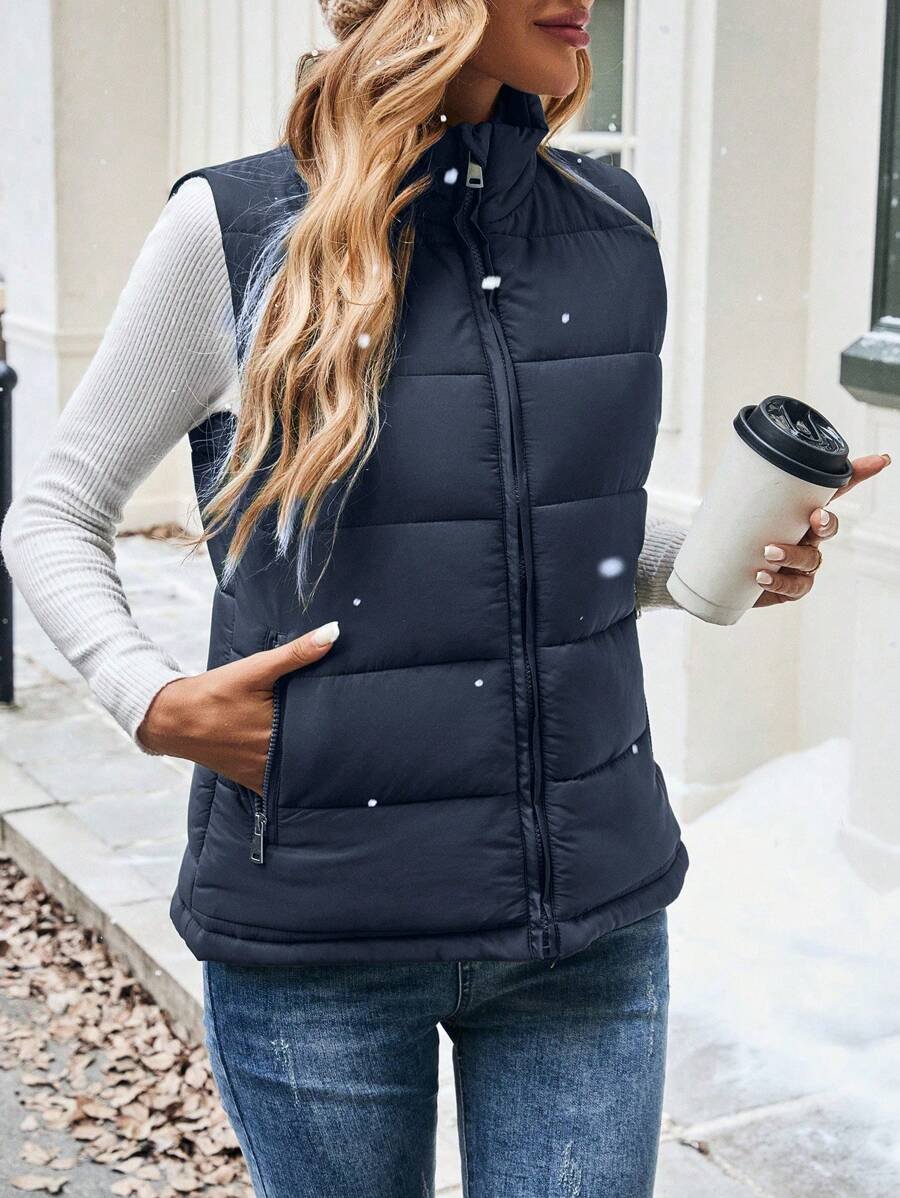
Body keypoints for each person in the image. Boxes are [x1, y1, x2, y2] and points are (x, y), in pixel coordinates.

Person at [1, 2, 887, 1194]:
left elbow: (560, 525)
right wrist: (149, 699)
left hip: (585, 923)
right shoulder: (241, 226)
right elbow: (55, 508)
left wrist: (723, 551)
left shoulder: (613, 229)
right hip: (322, 931)